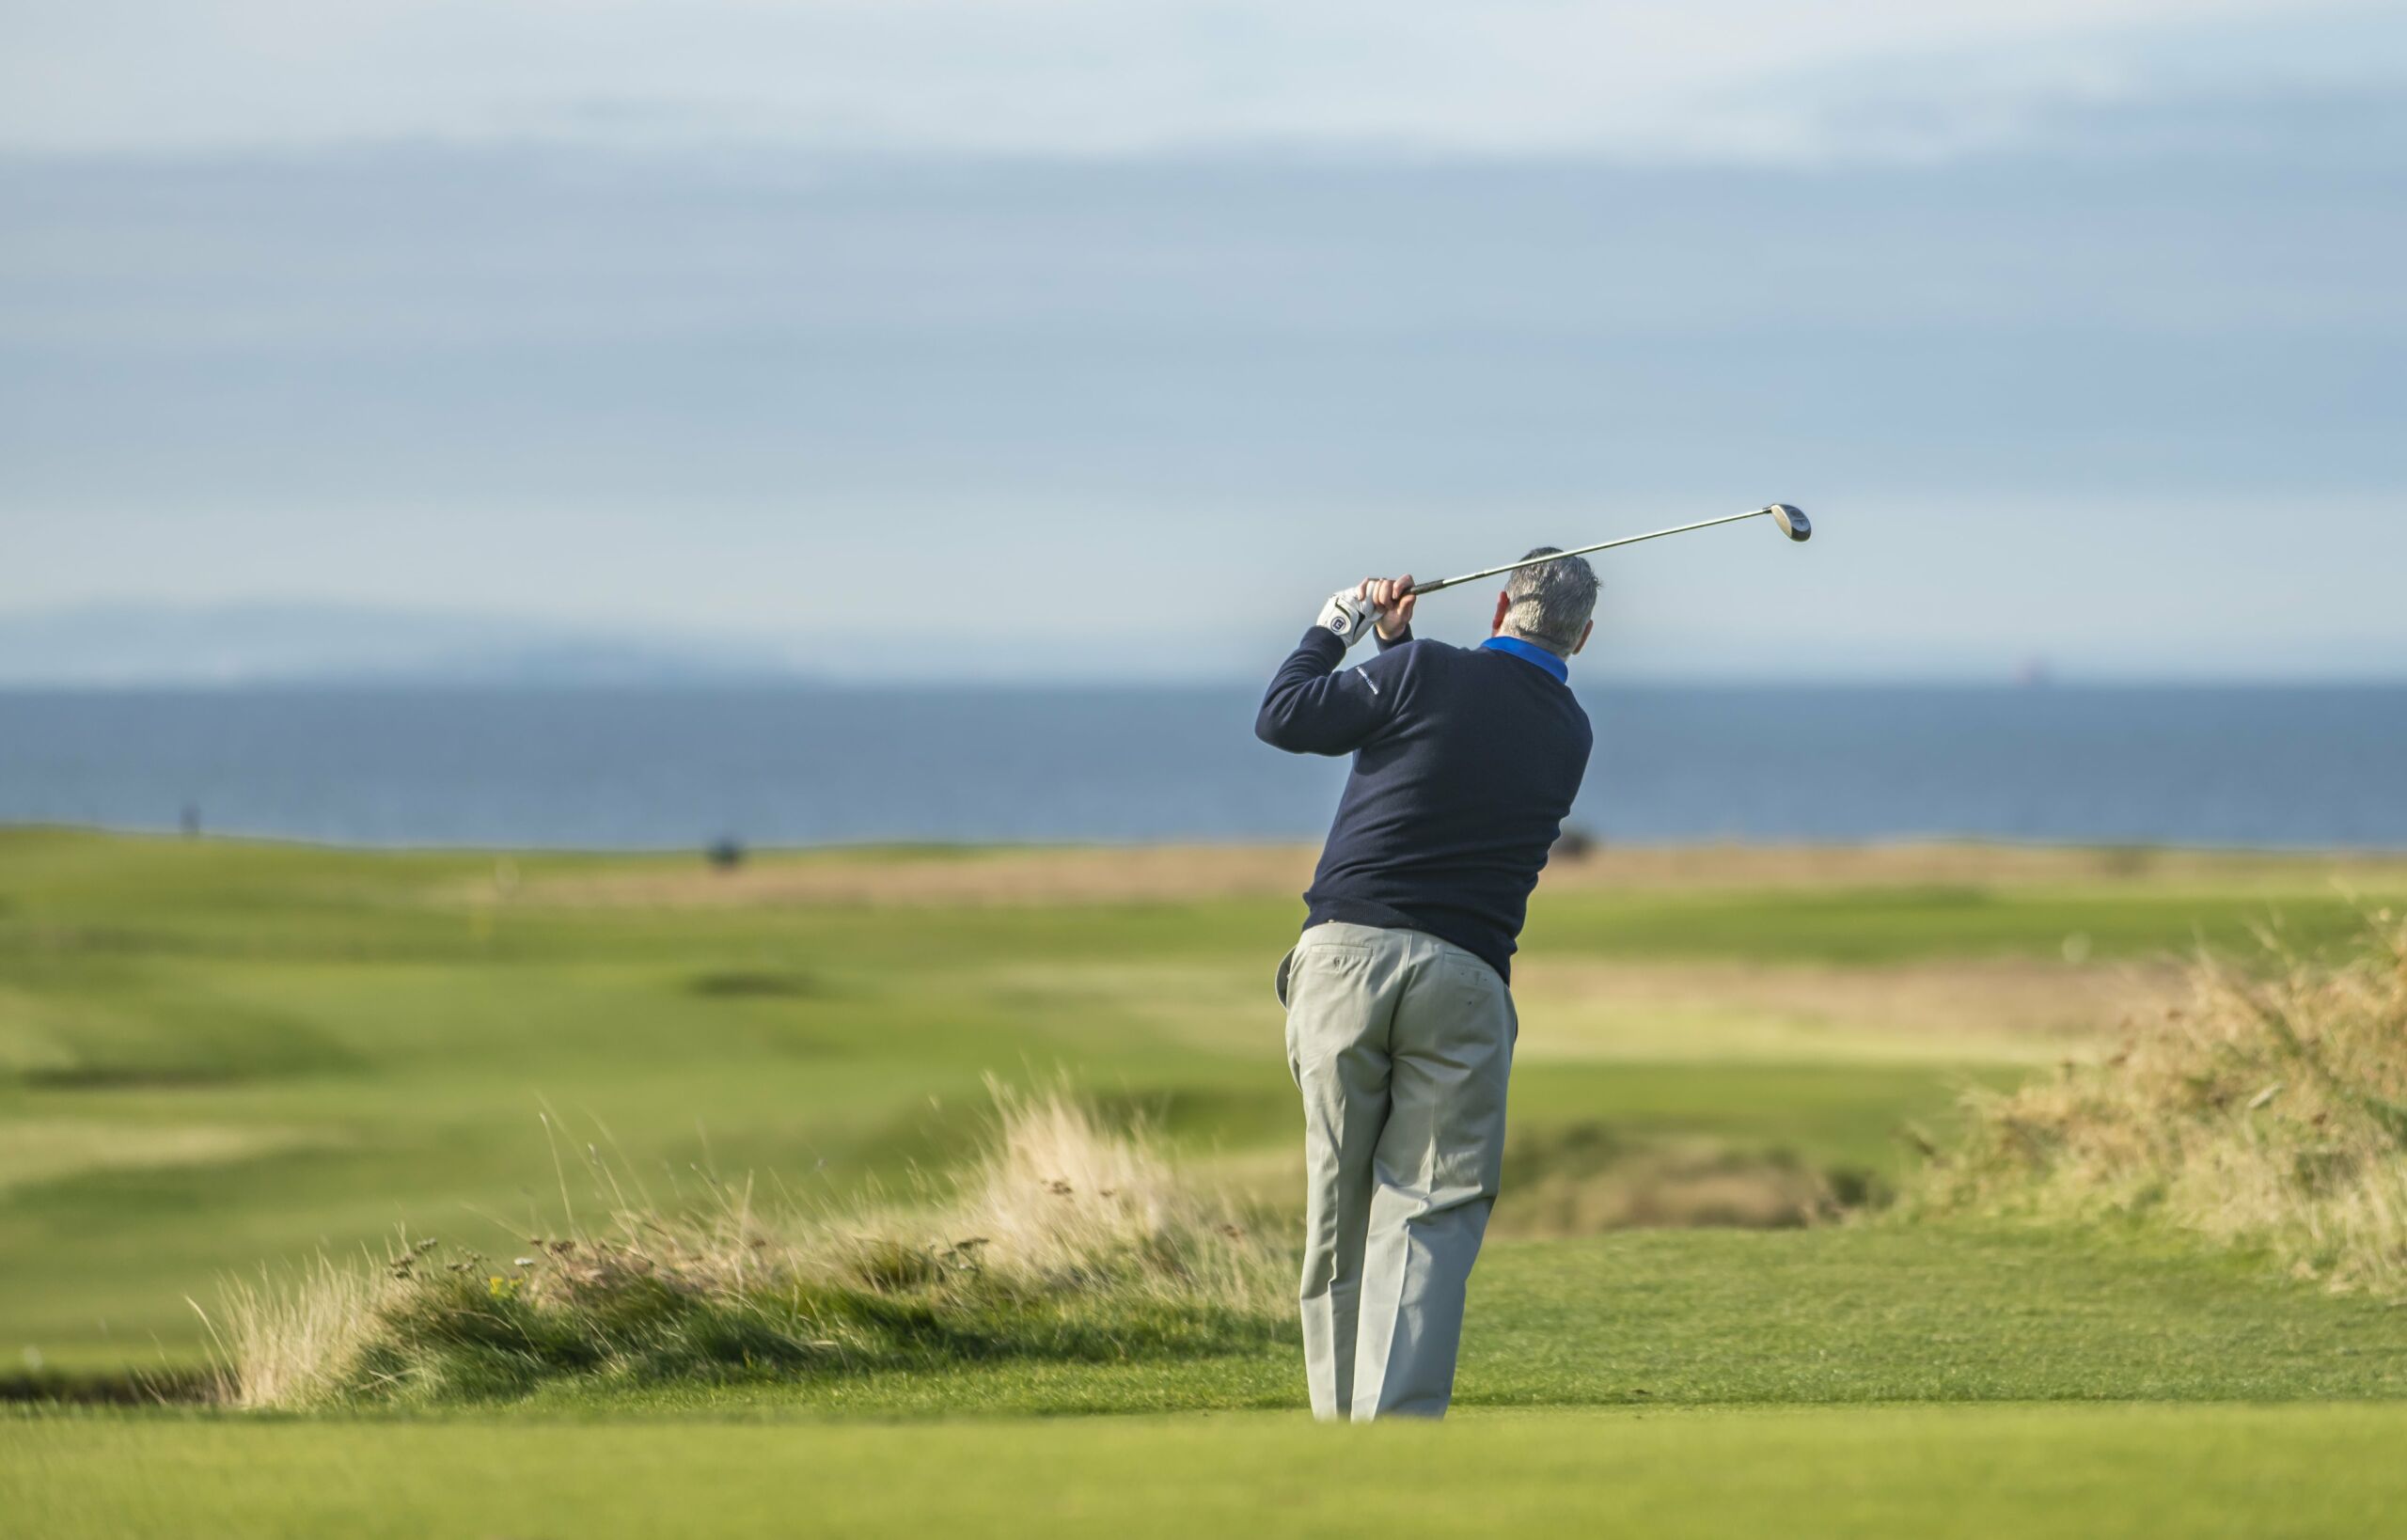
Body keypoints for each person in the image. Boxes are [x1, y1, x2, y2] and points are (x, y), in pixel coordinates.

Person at [1254, 549, 1597, 1421]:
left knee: (1341, 1198)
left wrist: (1344, 624)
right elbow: (1462, 729)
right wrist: (1397, 651)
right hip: (1466, 978)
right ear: (1583, 637)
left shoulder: (1416, 670)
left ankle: (1340, 1434)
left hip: (1343, 959)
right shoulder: (1570, 732)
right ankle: (1397, 1434)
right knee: (1428, 1210)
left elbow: (1285, 718)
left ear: (1495, 606)